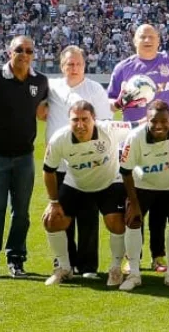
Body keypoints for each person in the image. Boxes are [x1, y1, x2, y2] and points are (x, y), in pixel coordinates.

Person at [108, 24, 169, 275]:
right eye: (143, 36)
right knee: (135, 202)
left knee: (161, 206)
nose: (147, 40)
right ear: (134, 40)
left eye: (152, 36)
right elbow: (111, 103)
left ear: (159, 40)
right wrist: (120, 102)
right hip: (135, 142)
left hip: (166, 140)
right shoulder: (123, 68)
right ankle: (133, 257)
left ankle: (158, 255)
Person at [0, 36, 49, 281]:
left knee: (21, 212)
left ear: (33, 55)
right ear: (9, 53)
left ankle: (16, 260)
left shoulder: (40, 81)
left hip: (24, 158)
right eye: (19, 50)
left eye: (29, 51)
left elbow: (42, 113)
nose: (24, 54)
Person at [41, 101, 136, 287]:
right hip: (76, 183)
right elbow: (48, 170)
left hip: (110, 182)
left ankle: (116, 268)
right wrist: (53, 202)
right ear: (69, 121)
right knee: (51, 220)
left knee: (116, 222)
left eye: (85, 119)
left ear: (94, 119)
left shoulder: (110, 128)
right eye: (75, 120)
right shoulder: (59, 139)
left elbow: (140, 124)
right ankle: (64, 268)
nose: (80, 124)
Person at [44, 45, 111, 279]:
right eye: (69, 64)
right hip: (58, 163)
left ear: (85, 65)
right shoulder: (51, 87)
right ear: (61, 66)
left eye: (78, 64)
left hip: (88, 165)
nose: (74, 68)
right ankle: (64, 265)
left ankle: (88, 267)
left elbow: (105, 123)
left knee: (88, 216)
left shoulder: (94, 89)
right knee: (61, 215)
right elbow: (38, 109)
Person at [118, 101, 169, 291]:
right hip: (142, 184)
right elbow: (126, 171)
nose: (159, 126)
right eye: (154, 121)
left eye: (164, 121)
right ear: (147, 119)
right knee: (133, 220)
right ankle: (134, 273)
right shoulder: (135, 137)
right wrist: (134, 203)